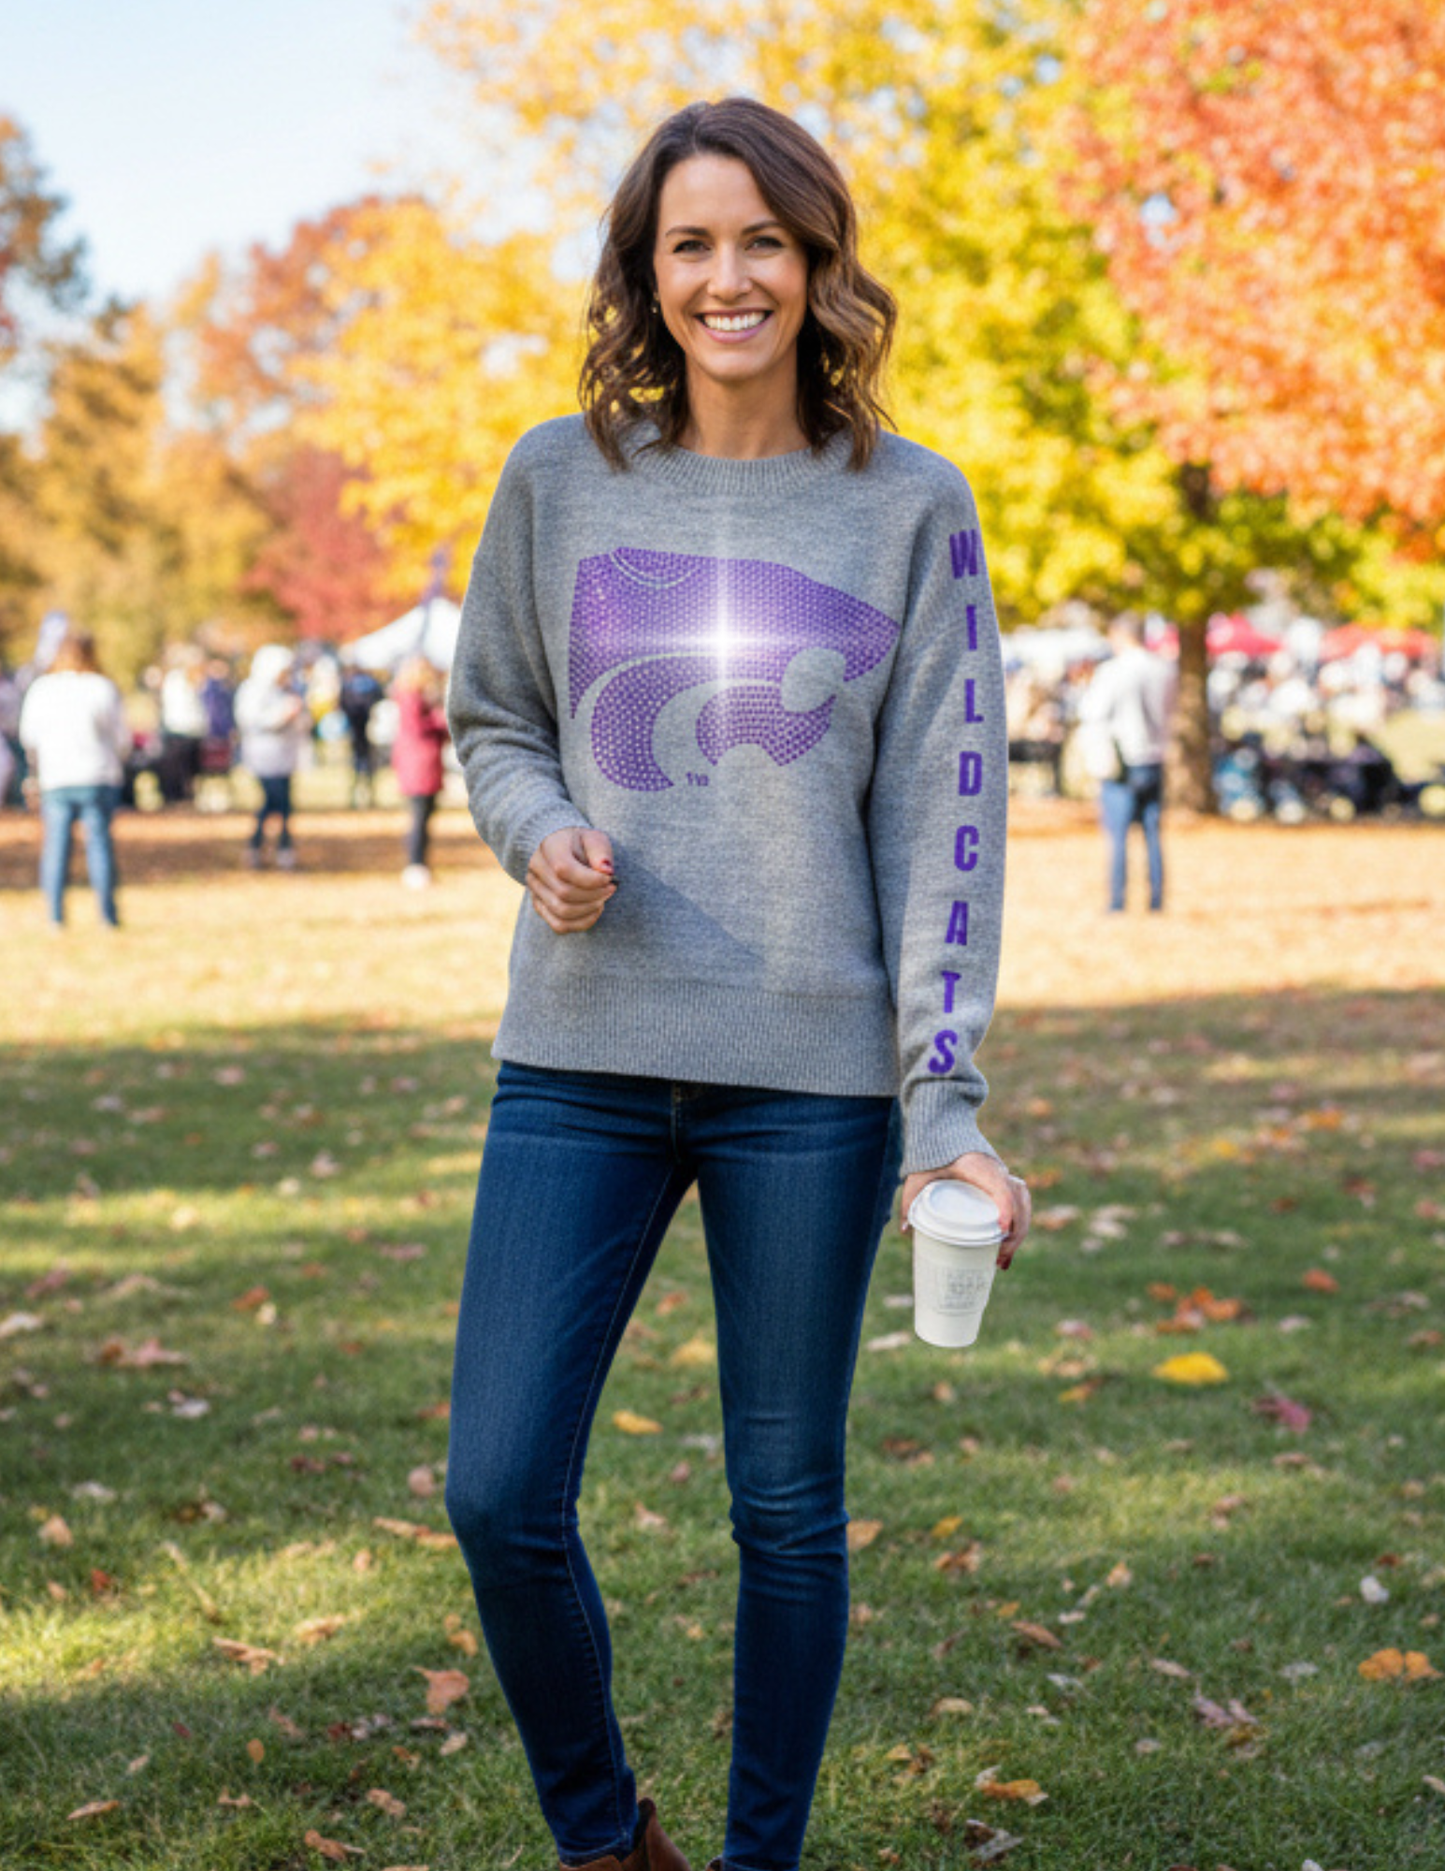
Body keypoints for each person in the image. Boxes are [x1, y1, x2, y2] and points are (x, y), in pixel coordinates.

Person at [443, 99, 1031, 1871]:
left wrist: (949, 1111)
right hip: (582, 1053)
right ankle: (606, 1838)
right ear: (648, 270)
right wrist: (538, 826)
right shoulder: (559, 478)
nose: (729, 277)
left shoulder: (912, 505)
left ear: (818, 262)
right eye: (692, 244)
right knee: (497, 1489)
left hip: (814, 1081)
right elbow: (496, 720)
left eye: (763, 240)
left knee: (785, 1505)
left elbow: (949, 819)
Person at [18, 631, 130, 927]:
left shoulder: (42, 690)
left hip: (56, 777)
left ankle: (55, 917)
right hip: (97, 775)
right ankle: (107, 917)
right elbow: (122, 739)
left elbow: (29, 736)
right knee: (99, 845)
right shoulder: (101, 688)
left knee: (56, 847)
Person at [1078, 612, 1177, 912]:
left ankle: (1117, 902)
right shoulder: (1165, 669)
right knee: (1152, 833)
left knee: (1118, 835)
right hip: (1155, 758)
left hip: (1123, 761)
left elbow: (1091, 711)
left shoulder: (1115, 670)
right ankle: (1156, 900)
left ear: (1120, 635)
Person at [234, 644, 308, 869]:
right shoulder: (252, 690)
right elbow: (251, 721)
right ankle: (257, 847)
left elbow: (302, 723)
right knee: (272, 802)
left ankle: (284, 848)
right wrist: (281, 715)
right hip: (263, 755)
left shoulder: (286, 691)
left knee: (285, 805)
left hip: (285, 755)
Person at [390, 656, 450, 887]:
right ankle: (415, 864)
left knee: (425, 815)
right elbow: (417, 728)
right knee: (419, 817)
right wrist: (439, 720)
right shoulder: (411, 700)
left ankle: (420, 863)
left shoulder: (420, 700)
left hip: (424, 763)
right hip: (418, 764)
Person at [339, 662, 385, 806]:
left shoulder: (348, 685)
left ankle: (356, 797)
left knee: (357, 764)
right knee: (367, 764)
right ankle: (368, 796)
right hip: (368, 730)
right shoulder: (371, 684)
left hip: (356, 730)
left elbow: (342, 705)